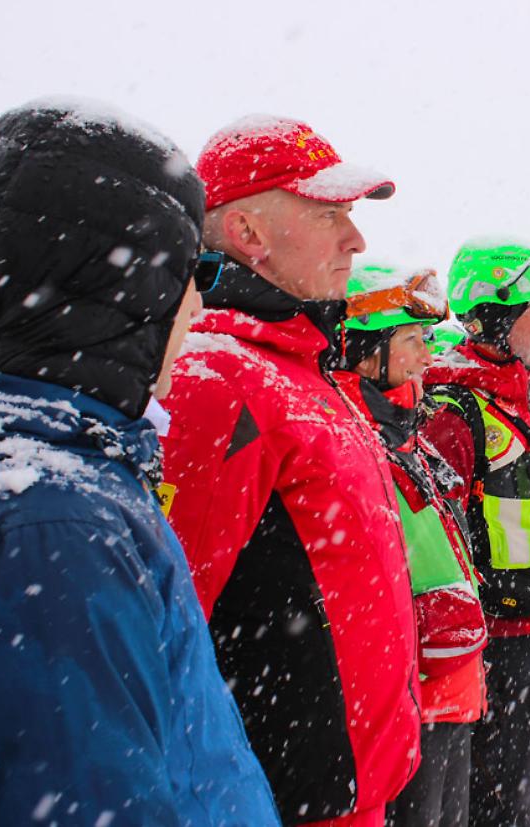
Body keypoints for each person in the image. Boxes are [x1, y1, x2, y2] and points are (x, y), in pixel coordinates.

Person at [0, 100, 278, 825]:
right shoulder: (56, 527)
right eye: (191, 273)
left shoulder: (60, 477)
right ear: (127, 289)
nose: (198, 306)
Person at [160, 116, 419, 827]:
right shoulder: (218, 381)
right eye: (329, 214)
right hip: (287, 799)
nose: (355, 239)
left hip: (354, 786)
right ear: (247, 231)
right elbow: (167, 628)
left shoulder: (300, 371)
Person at [422, 238, 530, 827]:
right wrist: (491, 590)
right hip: (497, 642)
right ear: (497, 315)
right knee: (507, 792)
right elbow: (438, 539)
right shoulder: (455, 411)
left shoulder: (527, 402)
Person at [338, 266, 489, 827]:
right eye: (413, 340)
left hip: (449, 680)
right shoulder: (351, 438)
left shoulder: (406, 434)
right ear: (364, 351)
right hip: (407, 693)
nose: (428, 355)